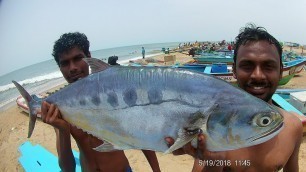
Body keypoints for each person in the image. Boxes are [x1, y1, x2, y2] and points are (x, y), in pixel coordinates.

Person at [166, 24, 303, 172]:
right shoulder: (214, 125)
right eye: (247, 66)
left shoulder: (292, 127)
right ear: (235, 71)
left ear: (281, 71)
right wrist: (214, 164)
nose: (257, 75)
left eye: (268, 66)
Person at [42, 32, 161, 172]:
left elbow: (140, 135)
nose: (72, 67)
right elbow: (67, 169)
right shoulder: (61, 107)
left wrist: (156, 170)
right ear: (60, 68)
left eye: (78, 58)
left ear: (89, 57)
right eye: (65, 63)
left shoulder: (113, 96)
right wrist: (63, 131)